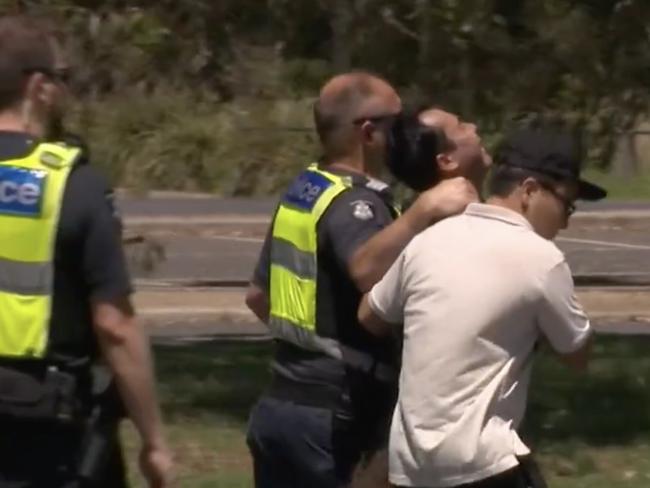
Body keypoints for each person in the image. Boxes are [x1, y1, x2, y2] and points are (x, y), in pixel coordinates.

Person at [244, 73, 481, 488]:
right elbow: (365, 268)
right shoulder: (356, 203)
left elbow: (258, 297)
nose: (407, 129)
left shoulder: (307, 189)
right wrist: (421, 211)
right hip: (332, 417)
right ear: (369, 132)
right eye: (397, 120)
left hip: (281, 404)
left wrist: (309, 344)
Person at [358, 125, 607, 488]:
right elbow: (577, 356)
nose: (567, 219)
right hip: (481, 462)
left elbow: (369, 315)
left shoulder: (430, 239)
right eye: (566, 204)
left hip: (410, 464)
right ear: (530, 191)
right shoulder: (541, 257)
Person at [0, 15, 172, 488]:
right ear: (38, 86)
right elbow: (115, 325)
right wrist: (153, 440)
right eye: (62, 78)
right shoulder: (72, 185)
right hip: (42, 431)